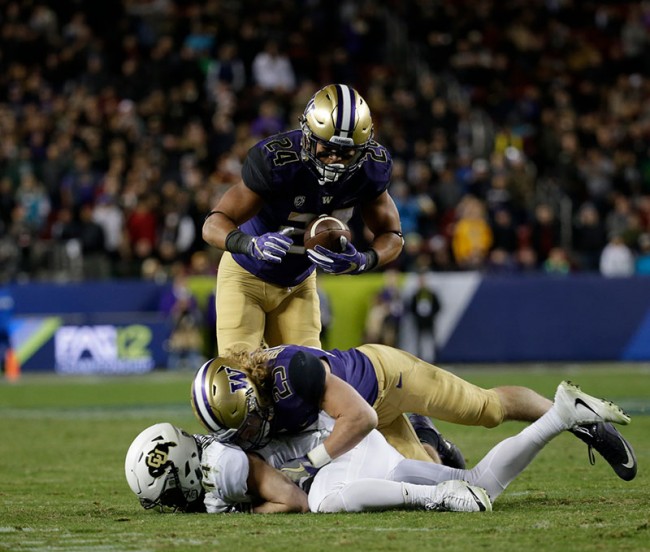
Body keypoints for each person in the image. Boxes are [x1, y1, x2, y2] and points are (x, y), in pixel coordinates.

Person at [124, 381, 634, 514]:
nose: (172, 504)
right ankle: (561, 415)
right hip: (351, 453)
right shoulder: (213, 453)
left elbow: (294, 498)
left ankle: (435, 497)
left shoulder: (221, 466)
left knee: (321, 502)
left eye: (169, 493)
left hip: (337, 458)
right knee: (479, 485)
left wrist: (253, 512)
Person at [188, 343, 637, 481]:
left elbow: (359, 418)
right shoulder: (253, 395)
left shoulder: (292, 372)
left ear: (254, 389)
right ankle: (431, 440)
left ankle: (582, 421)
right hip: (359, 413)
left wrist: (311, 465)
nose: (248, 429)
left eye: (245, 418)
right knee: (440, 486)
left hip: (388, 380)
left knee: (487, 409)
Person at [201, 84, 405, 354]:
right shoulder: (276, 160)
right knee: (240, 380)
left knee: (309, 380)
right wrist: (251, 244)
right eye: (327, 149)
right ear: (308, 137)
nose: (335, 160)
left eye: (346, 153)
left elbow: (393, 236)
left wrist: (364, 261)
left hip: (299, 283)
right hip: (245, 276)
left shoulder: (371, 169)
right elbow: (213, 223)